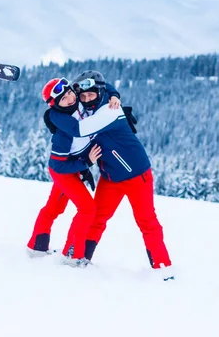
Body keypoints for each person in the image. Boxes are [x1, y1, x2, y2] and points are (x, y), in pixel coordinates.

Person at [72, 71, 174, 280]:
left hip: (137, 175)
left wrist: (112, 94)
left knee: (147, 221)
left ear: (99, 93)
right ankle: (81, 258)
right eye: (83, 96)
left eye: (90, 95)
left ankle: (162, 267)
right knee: (96, 218)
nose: (86, 99)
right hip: (110, 177)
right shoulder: (93, 106)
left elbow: (79, 129)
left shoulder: (110, 111)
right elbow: (85, 93)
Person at [26, 77, 118, 267]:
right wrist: (86, 163)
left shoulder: (79, 105)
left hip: (72, 169)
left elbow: (99, 83)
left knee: (55, 208)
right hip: (64, 172)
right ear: (56, 105)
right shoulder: (64, 132)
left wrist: (114, 95)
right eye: (63, 99)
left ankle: (37, 246)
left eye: (69, 93)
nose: (70, 99)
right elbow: (58, 166)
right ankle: (72, 255)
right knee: (87, 208)